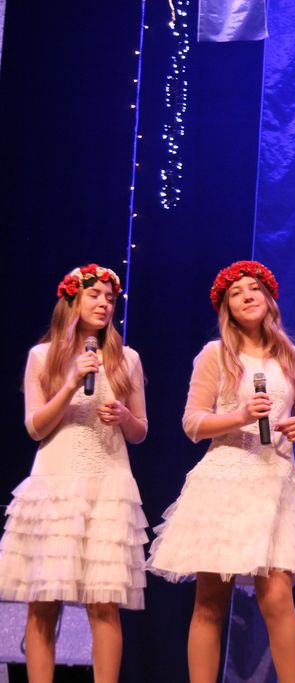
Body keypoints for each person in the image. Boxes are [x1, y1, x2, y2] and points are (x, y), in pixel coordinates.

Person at [147, 261, 295, 683]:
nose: (246, 296)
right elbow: (192, 422)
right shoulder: (215, 355)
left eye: (254, 288)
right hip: (224, 479)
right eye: (236, 293)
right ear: (227, 308)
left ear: (269, 298)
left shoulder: (293, 357)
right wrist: (239, 416)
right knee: (210, 600)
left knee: (277, 597)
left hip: (275, 481)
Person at [0, 264, 148, 683]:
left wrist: (124, 416)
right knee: (43, 600)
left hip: (109, 485)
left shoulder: (127, 359)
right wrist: (70, 385)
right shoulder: (42, 356)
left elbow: (140, 431)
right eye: (94, 296)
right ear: (72, 301)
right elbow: (35, 427)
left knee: (104, 602)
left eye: (110, 299)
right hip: (57, 486)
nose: (104, 304)